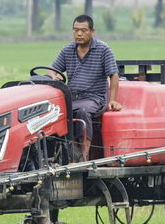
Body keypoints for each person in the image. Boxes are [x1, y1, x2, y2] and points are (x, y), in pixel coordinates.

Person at [48, 15, 122, 162]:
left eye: (83, 30)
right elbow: (51, 70)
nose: (79, 34)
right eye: (76, 30)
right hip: (72, 96)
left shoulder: (103, 49)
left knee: (83, 111)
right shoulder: (68, 50)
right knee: (51, 111)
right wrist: (53, 76)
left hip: (95, 97)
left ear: (92, 31)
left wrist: (112, 100)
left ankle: (83, 156)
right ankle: (55, 153)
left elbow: (114, 75)